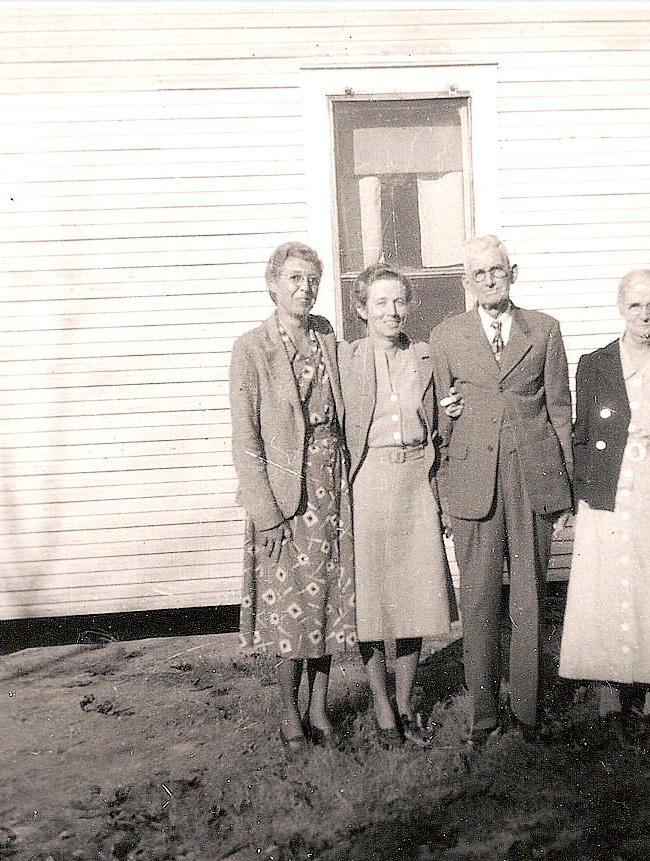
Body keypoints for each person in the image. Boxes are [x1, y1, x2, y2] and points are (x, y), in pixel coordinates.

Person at [557, 268, 650, 759]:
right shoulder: (595, 364)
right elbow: (581, 436)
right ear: (621, 308)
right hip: (607, 486)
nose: (645, 315)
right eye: (636, 306)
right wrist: (577, 497)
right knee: (603, 588)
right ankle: (608, 704)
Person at [429, 235, 574, 748]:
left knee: (531, 600)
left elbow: (559, 409)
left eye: (497, 270)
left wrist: (566, 493)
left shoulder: (545, 330)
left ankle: (529, 713)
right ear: (466, 282)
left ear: (513, 272)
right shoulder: (446, 336)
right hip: (473, 484)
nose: (489, 280)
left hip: (532, 479)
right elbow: (439, 425)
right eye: (478, 274)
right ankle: (485, 715)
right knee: (479, 601)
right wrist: (446, 494)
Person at [229, 241, 357, 756]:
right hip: (284, 496)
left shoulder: (325, 333)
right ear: (273, 284)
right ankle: (288, 713)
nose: (305, 289)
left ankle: (320, 706)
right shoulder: (251, 348)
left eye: (312, 280)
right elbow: (245, 440)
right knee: (288, 609)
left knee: (328, 603)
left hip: (333, 487)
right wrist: (266, 513)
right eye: (294, 279)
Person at [338, 263, 457, 749]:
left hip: (415, 478)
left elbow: (448, 412)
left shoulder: (427, 356)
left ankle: (406, 704)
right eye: (380, 303)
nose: (391, 311)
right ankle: (382, 706)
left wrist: (453, 409)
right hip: (367, 479)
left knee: (414, 598)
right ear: (362, 309)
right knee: (372, 602)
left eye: (399, 302)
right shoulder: (345, 359)